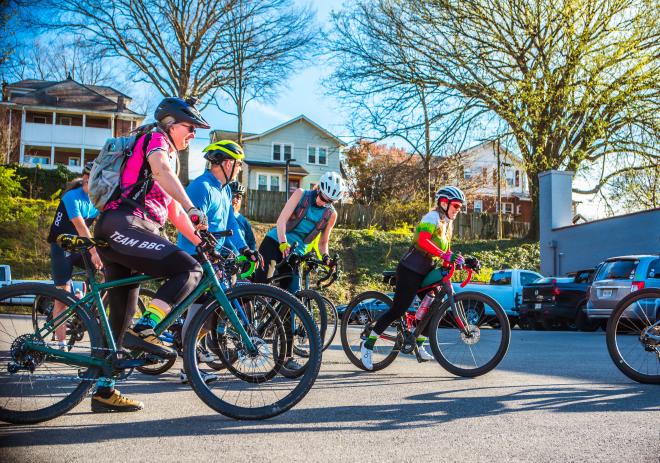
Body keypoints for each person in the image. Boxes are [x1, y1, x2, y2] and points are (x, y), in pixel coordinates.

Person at [91, 97, 211, 412]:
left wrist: (200, 239)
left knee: (121, 315)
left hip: (127, 229)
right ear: (171, 124)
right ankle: (148, 326)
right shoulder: (156, 139)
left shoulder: (166, 153)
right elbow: (160, 172)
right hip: (126, 224)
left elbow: (172, 210)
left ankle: (104, 390)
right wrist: (192, 206)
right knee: (189, 270)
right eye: (191, 127)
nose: (194, 134)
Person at [176, 140, 261, 384]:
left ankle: (193, 356)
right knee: (197, 313)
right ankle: (188, 368)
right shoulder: (201, 187)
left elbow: (230, 225)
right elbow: (189, 224)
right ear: (226, 163)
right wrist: (205, 248)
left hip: (216, 256)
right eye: (238, 165)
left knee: (212, 312)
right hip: (196, 255)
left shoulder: (224, 189)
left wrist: (245, 249)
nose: (239, 169)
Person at [360, 186, 468, 370]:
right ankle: (367, 345)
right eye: (456, 205)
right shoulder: (432, 217)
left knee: (433, 307)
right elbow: (422, 241)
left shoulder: (447, 223)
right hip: (410, 268)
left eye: (460, 207)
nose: (458, 209)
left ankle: (418, 342)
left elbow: (446, 251)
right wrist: (444, 255)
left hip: (427, 270)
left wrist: (460, 260)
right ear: (444, 203)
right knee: (398, 308)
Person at [253, 171, 344, 369]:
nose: (323, 203)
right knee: (258, 287)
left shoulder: (331, 214)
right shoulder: (301, 194)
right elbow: (281, 221)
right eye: (322, 198)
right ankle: (243, 325)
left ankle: (285, 358)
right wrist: (284, 243)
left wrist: (326, 258)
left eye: (329, 201)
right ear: (318, 189)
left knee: (291, 302)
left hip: (296, 254)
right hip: (275, 242)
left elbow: (323, 243)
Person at [47, 162, 102, 346]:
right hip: (61, 246)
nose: (98, 188)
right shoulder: (72, 197)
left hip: (78, 247)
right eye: (95, 183)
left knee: (108, 269)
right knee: (62, 297)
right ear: (86, 179)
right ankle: (61, 344)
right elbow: (82, 228)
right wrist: (94, 252)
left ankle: (85, 299)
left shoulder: (96, 199)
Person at [225, 181, 256, 254]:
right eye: (232, 196)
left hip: (237, 261)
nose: (235, 199)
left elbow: (251, 244)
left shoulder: (244, 222)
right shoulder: (219, 216)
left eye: (238, 197)